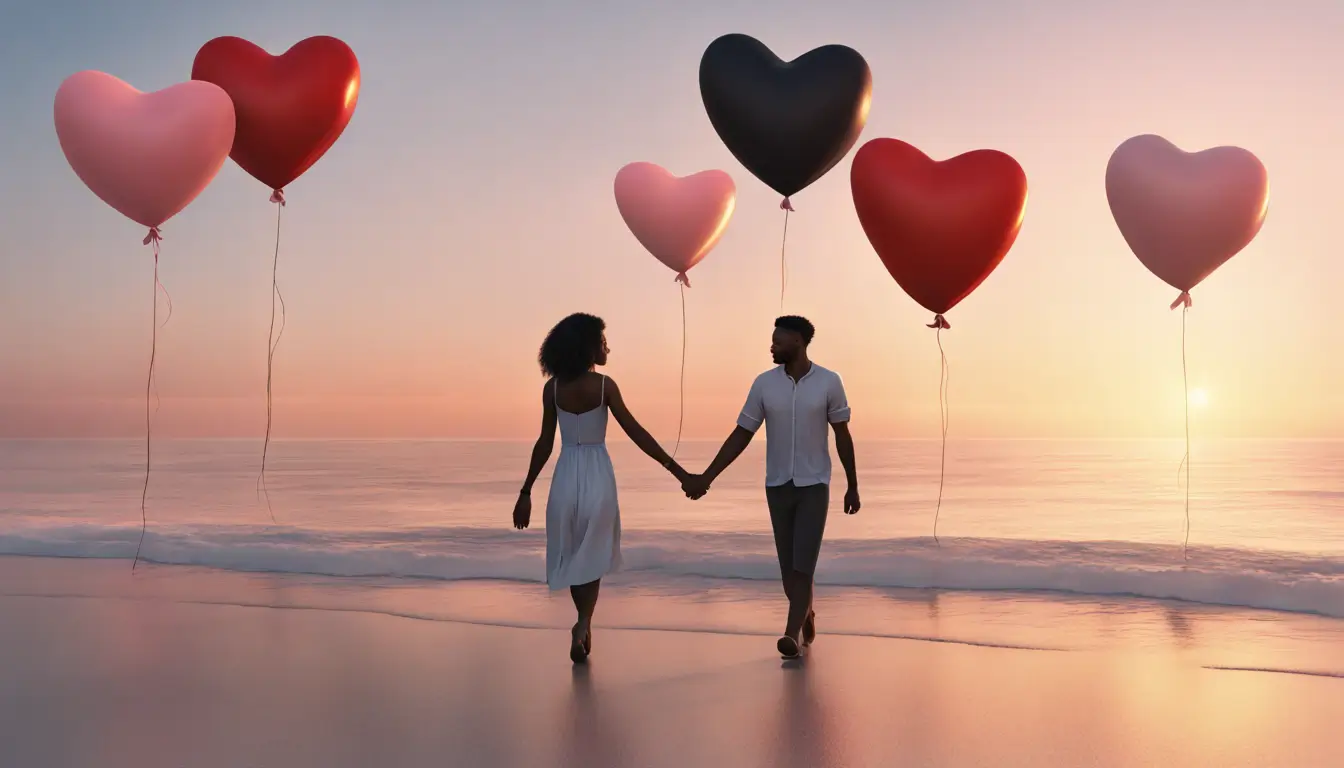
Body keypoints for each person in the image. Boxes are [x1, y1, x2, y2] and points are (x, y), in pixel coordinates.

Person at [513, 312, 691, 664]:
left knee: (576, 549)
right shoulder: (605, 385)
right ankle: (584, 622)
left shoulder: (553, 389)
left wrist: (525, 492)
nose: (607, 347)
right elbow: (637, 432)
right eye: (603, 341)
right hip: (597, 474)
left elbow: (544, 443)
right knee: (591, 553)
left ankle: (582, 622)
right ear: (588, 347)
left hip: (566, 474)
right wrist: (678, 471)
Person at [682, 316, 859, 659]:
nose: (772, 346)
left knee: (803, 565)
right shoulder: (764, 384)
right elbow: (742, 434)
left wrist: (852, 485)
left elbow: (842, 435)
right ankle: (805, 611)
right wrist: (707, 476)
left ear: (798, 341)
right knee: (788, 574)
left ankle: (791, 635)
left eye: (778, 340)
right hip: (777, 485)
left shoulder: (829, 382)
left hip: (814, 484)